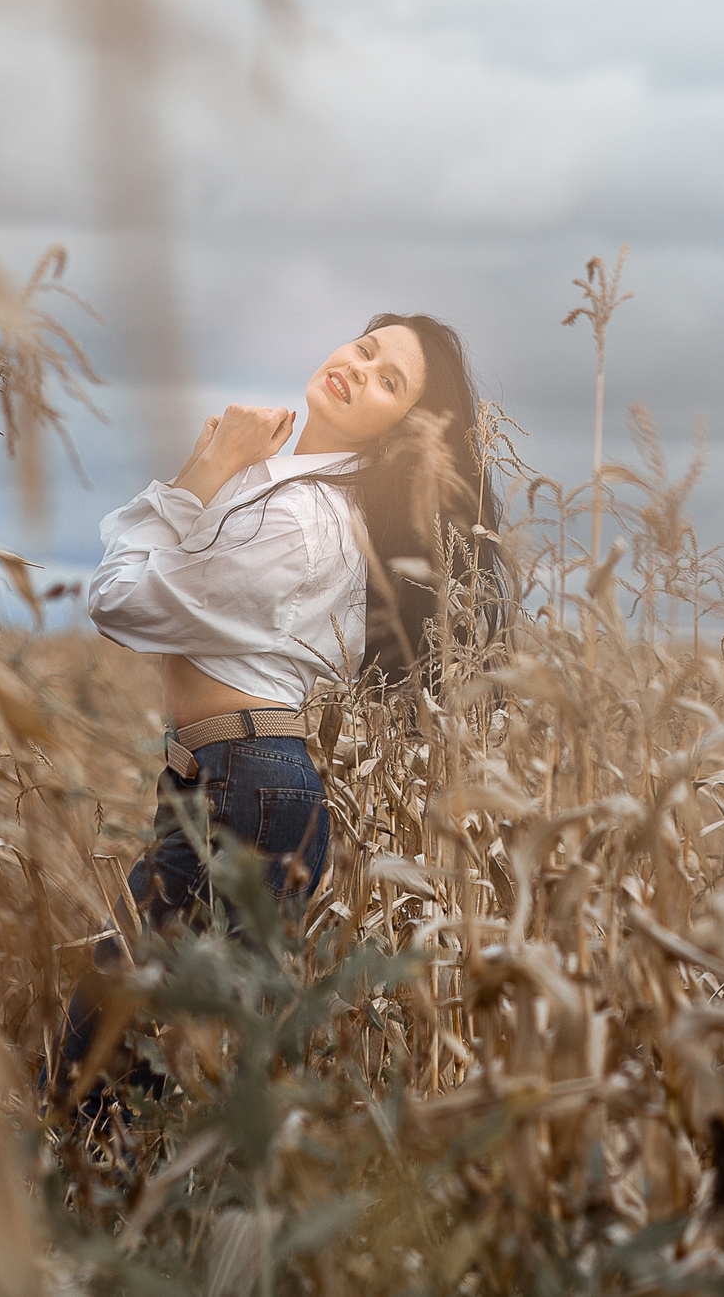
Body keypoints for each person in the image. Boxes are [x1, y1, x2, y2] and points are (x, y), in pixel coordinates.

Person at [50, 313, 501, 1114]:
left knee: (123, 1051)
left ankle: (137, 1216)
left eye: (389, 380)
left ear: (403, 432)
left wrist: (207, 461)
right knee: (144, 1054)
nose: (359, 370)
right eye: (366, 350)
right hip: (227, 784)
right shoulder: (294, 492)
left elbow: (119, 598)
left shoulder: (308, 522)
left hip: (249, 791)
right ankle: (132, 1211)